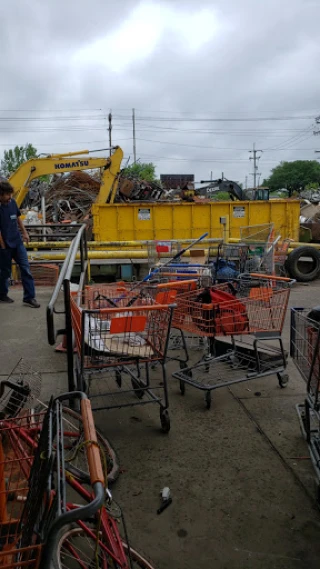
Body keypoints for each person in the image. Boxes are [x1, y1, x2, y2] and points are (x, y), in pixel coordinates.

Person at [0, 179, 40, 307]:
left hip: (17, 243)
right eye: (7, 194)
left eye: (10, 194)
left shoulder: (12, 203)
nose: (9, 197)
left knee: (25, 268)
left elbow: (18, 218)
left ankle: (29, 297)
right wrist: (3, 246)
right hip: (4, 246)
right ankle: (2, 294)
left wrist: (25, 233)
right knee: (5, 272)